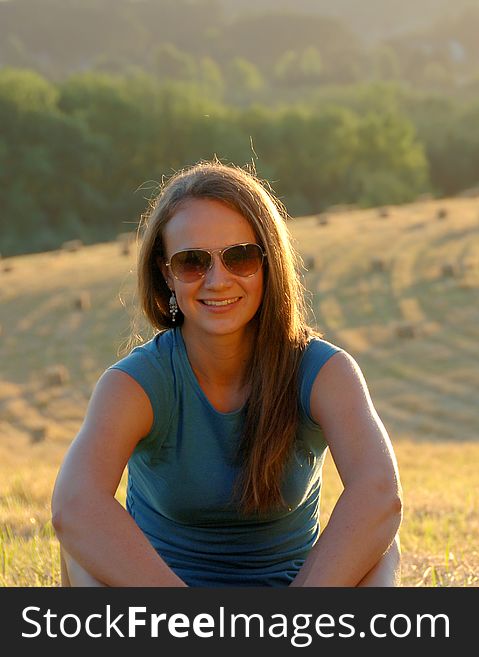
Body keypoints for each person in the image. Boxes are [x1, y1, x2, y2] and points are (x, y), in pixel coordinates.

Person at [51, 161, 402, 587]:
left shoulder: (325, 371)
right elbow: (75, 504)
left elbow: (379, 493)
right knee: (80, 551)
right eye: (193, 262)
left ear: (268, 263)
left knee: (384, 548)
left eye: (240, 257)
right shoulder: (135, 383)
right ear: (167, 274)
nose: (218, 280)